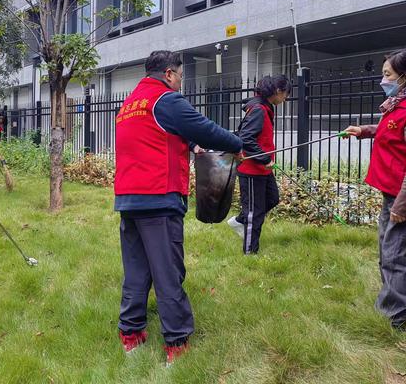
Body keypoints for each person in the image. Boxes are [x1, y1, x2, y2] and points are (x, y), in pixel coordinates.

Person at [114, 50, 243, 365]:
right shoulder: (166, 100)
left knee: (136, 271)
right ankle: (177, 342)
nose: (180, 82)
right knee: (168, 272)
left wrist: (186, 144)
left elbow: (152, 137)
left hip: (129, 200)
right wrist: (238, 144)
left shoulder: (129, 105)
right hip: (159, 198)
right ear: (169, 74)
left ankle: (131, 336)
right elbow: (205, 128)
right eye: (180, 76)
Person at [343, 50, 406, 330]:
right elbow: (389, 131)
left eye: (388, 75)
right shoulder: (396, 105)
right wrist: (366, 130)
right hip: (390, 192)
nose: (383, 79)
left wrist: (401, 206)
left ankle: (394, 316)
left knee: (394, 254)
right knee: (387, 250)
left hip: (400, 196)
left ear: (404, 78)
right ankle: (393, 303)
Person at [228, 75, 291, 254]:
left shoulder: (264, 107)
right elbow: (246, 138)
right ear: (278, 91)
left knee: (272, 199)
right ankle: (250, 253)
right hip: (252, 170)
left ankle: (241, 221)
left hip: (263, 169)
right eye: (285, 94)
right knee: (254, 213)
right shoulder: (259, 109)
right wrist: (264, 159)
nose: (285, 98)